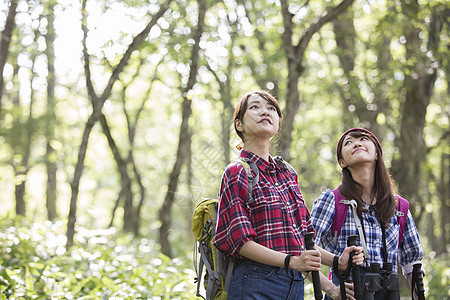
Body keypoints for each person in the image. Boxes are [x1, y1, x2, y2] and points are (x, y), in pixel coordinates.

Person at [212, 91, 364, 300]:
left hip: (294, 286)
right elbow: (240, 243)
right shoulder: (237, 171)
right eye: (255, 107)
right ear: (239, 125)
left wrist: (336, 266)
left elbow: (301, 242)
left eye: (272, 109)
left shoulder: (287, 173)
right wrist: (292, 261)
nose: (265, 111)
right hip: (254, 284)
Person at [311, 128, 424, 299]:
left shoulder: (399, 207)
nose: (357, 143)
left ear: (377, 154)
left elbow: (412, 264)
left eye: (364, 139)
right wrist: (331, 289)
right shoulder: (332, 200)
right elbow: (303, 246)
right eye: (348, 143)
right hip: (348, 292)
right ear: (342, 162)